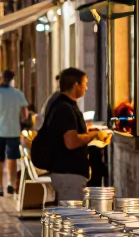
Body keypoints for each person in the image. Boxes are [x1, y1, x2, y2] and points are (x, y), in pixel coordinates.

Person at [40, 67, 102, 203]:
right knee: (73, 216)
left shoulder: (63, 104)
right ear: (75, 85)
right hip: (68, 172)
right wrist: (94, 136)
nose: (86, 88)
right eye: (84, 84)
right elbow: (71, 142)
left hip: (67, 171)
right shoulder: (64, 108)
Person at [0, 69, 29, 197]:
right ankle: (11, 184)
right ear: (12, 80)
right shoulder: (18, 93)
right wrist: (23, 119)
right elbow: (25, 113)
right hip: (13, 130)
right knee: (12, 158)